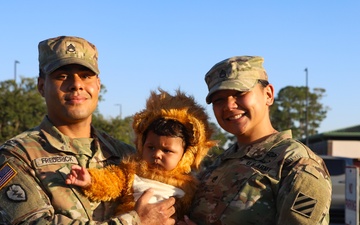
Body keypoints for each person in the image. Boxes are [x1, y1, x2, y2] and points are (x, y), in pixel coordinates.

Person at [0, 36, 175, 224]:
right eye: (62, 76)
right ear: (41, 86)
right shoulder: (17, 155)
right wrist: (136, 221)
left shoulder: (126, 155)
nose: (76, 84)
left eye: (85, 75)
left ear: (98, 85)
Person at [182, 56, 332, 225]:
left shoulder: (297, 164)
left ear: (268, 94)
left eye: (240, 93)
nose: (229, 105)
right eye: (219, 100)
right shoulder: (218, 165)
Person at [65, 89, 217, 222]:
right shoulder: (132, 171)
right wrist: (90, 180)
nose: (157, 154)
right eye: (151, 147)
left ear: (186, 155)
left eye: (167, 151)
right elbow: (112, 181)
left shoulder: (189, 187)